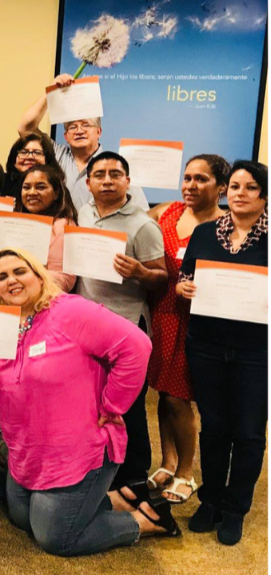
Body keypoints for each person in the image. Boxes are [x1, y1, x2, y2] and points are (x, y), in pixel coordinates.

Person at [0, 249, 179, 555]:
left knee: (54, 537)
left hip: (76, 450)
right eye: (2, 276)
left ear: (39, 275)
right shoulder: (0, 324)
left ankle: (144, 521)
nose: (11, 280)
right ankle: (115, 499)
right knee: (23, 519)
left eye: (20, 271)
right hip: (27, 450)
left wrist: (112, 405)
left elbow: (137, 346)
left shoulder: (70, 311)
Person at [176, 160, 268, 545]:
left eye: (250, 187)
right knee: (214, 428)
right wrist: (183, 288)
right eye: (234, 186)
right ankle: (211, 500)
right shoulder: (205, 232)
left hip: (256, 351)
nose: (240, 193)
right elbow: (185, 277)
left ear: (264, 195)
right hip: (207, 345)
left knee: (248, 432)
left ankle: (235, 508)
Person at [76, 151, 166, 491]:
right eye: (99, 175)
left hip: (127, 327)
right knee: (92, 400)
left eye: (115, 174)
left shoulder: (143, 225)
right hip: (87, 324)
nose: (107, 180)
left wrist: (141, 272)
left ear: (128, 181)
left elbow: (161, 279)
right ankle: (100, 467)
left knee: (128, 405)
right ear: (88, 183)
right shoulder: (83, 213)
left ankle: (135, 475)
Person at [144, 154, 228, 505]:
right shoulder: (167, 211)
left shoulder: (226, 225)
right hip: (160, 313)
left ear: (221, 187)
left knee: (178, 397)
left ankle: (186, 472)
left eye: (201, 179)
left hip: (198, 321)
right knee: (163, 392)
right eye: (187, 177)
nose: (191, 185)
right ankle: (168, 461)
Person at [18, 74, 149, 211]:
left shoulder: (116, 166)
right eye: (72, 127)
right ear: (66, 136)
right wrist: (50, 93)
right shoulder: (55, 155)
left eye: (86, 125)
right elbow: (25, 128)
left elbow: (143, 212)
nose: (79, 131)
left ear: (99, 131)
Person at [15, 163, 78, 291]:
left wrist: (21, 276)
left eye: (41, 187)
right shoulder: (14, 223)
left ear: (56, 193)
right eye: (26, 187)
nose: (32, 192)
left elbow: (65, 280)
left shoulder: (64, 226)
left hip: (47, 300)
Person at [2, 132, 62, 200]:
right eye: (24, 152)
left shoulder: (57, 186)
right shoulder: (1, 182)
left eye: (37, 152)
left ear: (48, 159)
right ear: (14, 158)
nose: (30, 157)